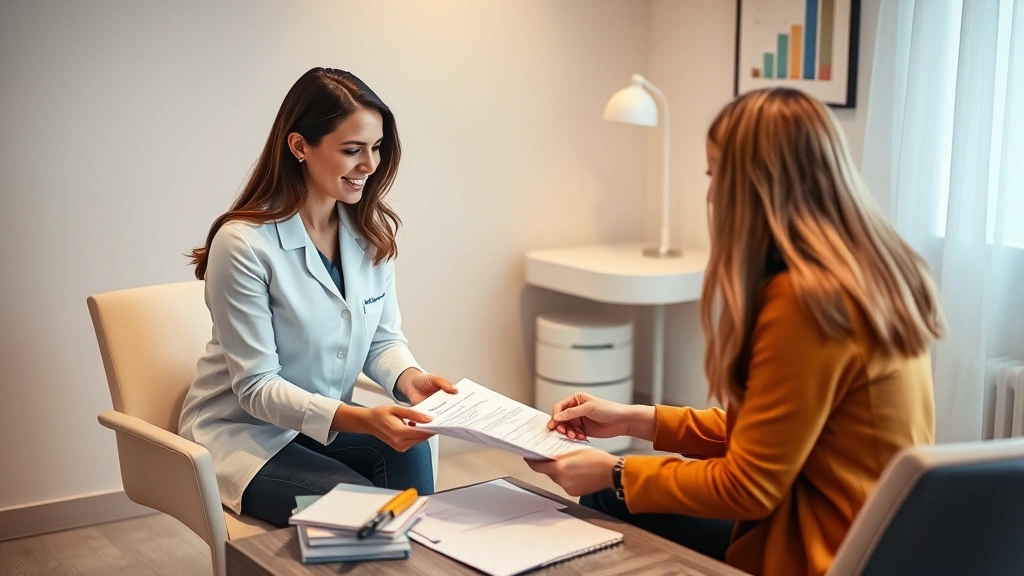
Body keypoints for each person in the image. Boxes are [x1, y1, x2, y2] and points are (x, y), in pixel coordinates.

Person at [528, 87, 945, 576]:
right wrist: (631, 419)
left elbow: (749, 485)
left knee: (605, 490)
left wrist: (616, 472)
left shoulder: (806, 301)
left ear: (756, 184)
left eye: (714, 172)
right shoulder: (867, 274)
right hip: (873, 538)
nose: (709, 193)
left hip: (822, 550)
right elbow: (770, 436)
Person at [179, 68, 455, 527]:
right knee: (373, 514)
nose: (370, 164)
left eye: (376, 147)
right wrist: (363, 420)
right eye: (352, 150)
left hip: (317, 426)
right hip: (246, 436)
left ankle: (416, 555)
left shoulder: (368, 235)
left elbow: (382, 341)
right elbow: (257, 388)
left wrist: (410, 380)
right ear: (300, 146)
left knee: (410, 459)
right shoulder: (244, 243)